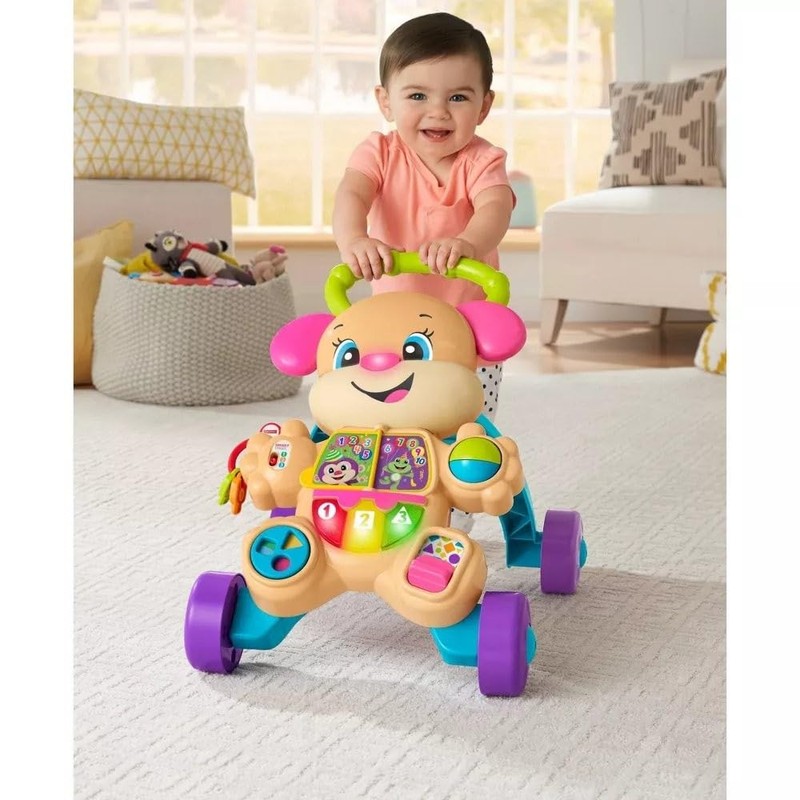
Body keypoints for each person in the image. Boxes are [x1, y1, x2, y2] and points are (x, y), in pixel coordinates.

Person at [332, 12, 516, 531]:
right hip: (390, 330)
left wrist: (468, 243)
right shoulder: (378, 152)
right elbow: (351, 195)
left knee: (461, 425)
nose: (438, 111)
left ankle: (454, 509)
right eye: (417, 95)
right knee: (380, 419)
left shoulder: (482, 161)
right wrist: (354, 240)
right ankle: (376, 503)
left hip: (465, 333)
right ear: (385, 101)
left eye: (457, 97)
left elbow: (495, 208)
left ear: (484, 106)